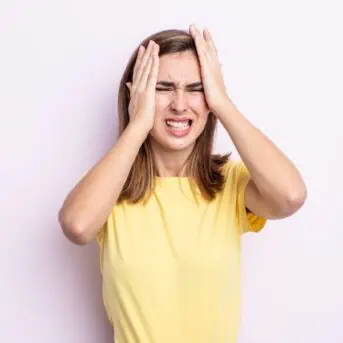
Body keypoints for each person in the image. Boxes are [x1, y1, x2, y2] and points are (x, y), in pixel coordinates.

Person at [58, 24, 307, 343]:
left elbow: (291, 197)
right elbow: (77, 226)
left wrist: (223, 104)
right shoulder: (112, 187)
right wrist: (138, 125)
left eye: (195, 88)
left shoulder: (229, 183)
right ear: (137, 95)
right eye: (163, 88)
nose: (179, 104)